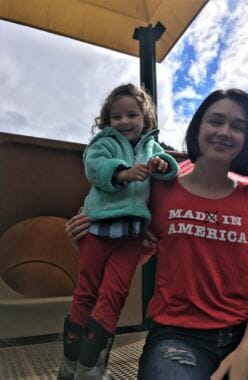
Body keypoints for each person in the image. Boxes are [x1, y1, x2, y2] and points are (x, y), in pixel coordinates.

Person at [65, 89, 248, 380]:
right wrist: (86, 233)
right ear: (197, 127)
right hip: (177, 337)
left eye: (238, 126)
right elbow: (133, 248)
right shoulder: (160, 191)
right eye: (215, 121)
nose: (224, 131)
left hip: (247, 332)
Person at [57, 83, 179, 380]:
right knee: (86, 291)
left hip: (130, 238)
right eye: (116, 117)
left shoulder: (152, 147)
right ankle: (68, 366)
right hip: (97, 232)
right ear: (107, 121)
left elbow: (171, 169)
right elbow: (94, 165)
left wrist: (162, 164)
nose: (124, 122)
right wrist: (123, 172)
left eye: (132, 115)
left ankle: (90, 370)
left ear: (145, 119)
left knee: (114, 295)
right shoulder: (104, 142)